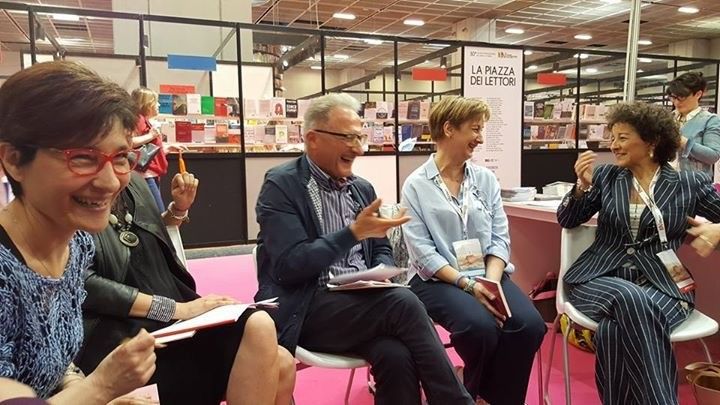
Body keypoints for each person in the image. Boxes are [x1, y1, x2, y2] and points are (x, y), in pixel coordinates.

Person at [254, 93, 474, 405]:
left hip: (362, 305)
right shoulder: (282, 185)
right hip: (305, 308)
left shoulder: (361, 188)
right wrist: (352, 233)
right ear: (313, 139)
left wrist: (380, 274)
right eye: (348, 137)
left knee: (395, 354)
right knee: (403, 302)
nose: (358, 148)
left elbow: (381, 248)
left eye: (360, 137)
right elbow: (289, 266)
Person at [0, 61, 156, 403]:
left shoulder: (78, 244)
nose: (110, 182)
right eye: (83, 157)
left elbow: (54, 356)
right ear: (14, 160)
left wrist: (87, 392)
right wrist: (100, 389)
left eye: (121, 157)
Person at [76, 171, 296, 405]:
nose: (118, 169)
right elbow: (84, 284)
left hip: (170, 323)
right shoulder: (72, 197)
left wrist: (178, 210)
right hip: (119, 336)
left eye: (124, 157)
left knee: (281, 359)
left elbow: (139, 236)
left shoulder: (134, 183)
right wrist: (175, 309)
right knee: (262, 331)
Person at [558, 101, 720, 405]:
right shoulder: (607, 177)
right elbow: (568, 219)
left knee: (613, 330)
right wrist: (580, 187)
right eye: (612, 137)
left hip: (664, 283)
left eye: (622, 137)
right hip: (600, 278)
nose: (613, 145)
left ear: (652, 142)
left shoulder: (689, 183)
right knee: (630, 298)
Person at [401, 97, 546, 405]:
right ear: (449, 129)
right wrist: (467, 284)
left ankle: (483, 397)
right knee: (478, 328)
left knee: (530, 326)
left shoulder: (486, 179)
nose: (480, 138)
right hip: (437, 279)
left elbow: (499, 238)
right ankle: (471, 395)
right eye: (475, 129)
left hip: (486, 274)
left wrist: (490, 282)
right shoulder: (416, 185)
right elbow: (423, 253)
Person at [666, 71, 720, 175]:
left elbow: (713, 156)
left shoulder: (710, 120)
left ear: (698, 94)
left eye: (681, 97)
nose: (676, 102)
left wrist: (683, 142)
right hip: (666, 179)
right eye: (673, 97)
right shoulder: (668, 118)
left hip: (694, 182)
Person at [131, 88, 168, 211]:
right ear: (147, 104)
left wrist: (166, 148)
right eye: (155, 102)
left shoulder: (143, 121)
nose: (158, 105)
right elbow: (129, 142)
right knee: (158, 212)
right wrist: (150, 136)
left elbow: (147, 149)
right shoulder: (139, 120)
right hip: (145, 175)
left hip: (149, 173)